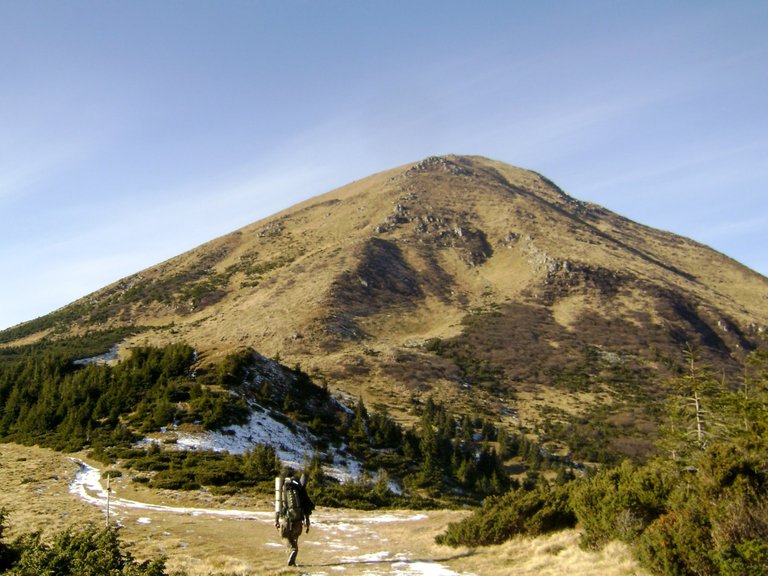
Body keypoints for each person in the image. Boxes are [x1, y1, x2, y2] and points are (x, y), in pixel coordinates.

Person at [275, 473, 314, 566]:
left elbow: (278, 506)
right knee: (295, 538)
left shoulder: (284, 487)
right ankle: (293, 561)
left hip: (287, 519)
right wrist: (307, 522)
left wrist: (276, 520)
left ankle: (292, 551)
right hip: (299, 520)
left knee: (284, 536)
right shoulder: (300, 490)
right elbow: (307, 507)